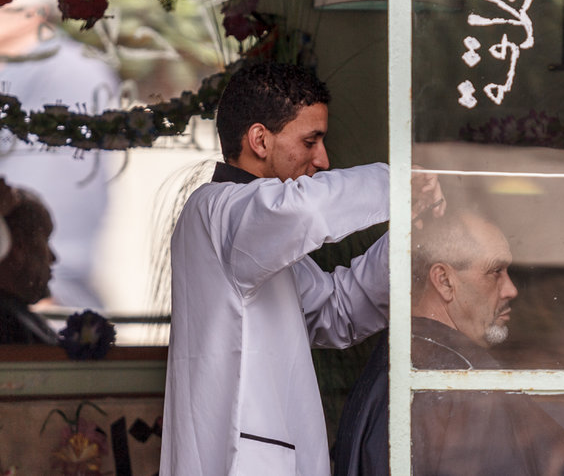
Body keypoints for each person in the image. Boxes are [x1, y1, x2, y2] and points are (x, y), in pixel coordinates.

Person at [159, 61, 443, 476]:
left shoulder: (255, 235)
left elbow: (337, 312)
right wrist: (403, 183)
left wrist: (412, 236)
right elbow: (304, 210)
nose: (323, 160)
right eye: (311, 141)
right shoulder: (220, 211)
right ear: (260, 139)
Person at [333, 210, 564, 476]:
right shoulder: (460, 382)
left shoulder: (392, 365)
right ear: (444, 281)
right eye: (495, 271)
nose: (511, 289)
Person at [0, 0, 119, 309]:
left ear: (33, 15)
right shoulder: (19, 66)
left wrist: (41, 272)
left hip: (43, 269)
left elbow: (65, 180)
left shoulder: (71, 71)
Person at [0, 179, 59, 345]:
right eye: (45, 240)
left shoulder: (21, 321)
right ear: (19, 247)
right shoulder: (10, 327)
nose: (53, 258)